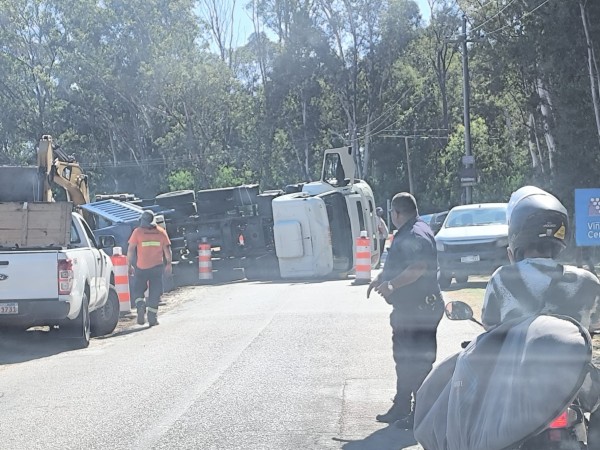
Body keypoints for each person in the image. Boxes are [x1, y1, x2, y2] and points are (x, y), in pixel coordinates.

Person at [481, 186, 600, 448]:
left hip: (517, 380)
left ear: (516, 237)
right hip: (576, 383)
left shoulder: (502, 278)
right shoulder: (588, 282)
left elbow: (490, 327)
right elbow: (591, 329)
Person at [367, 192, 444, 429]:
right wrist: (381, 277)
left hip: (420, 310)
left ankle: (420, 414)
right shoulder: (412, 229)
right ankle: (402, 405)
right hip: (410, 310)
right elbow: (400, 262)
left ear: (397, 213)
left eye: (391, 212)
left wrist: (392, 285)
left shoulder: (415, 233)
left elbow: (418, 266)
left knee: (418, 363)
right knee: (403, 359)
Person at [127, 210, 172, 327]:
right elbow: (167, 250)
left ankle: (140, 305)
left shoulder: (137, 232)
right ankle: (152, 318)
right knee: (155, 292)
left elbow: (131, 249)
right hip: (157, 267)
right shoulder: (161, 232)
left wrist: (129, 265)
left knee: (137, 290)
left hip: (142, 267)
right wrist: (169, 264)